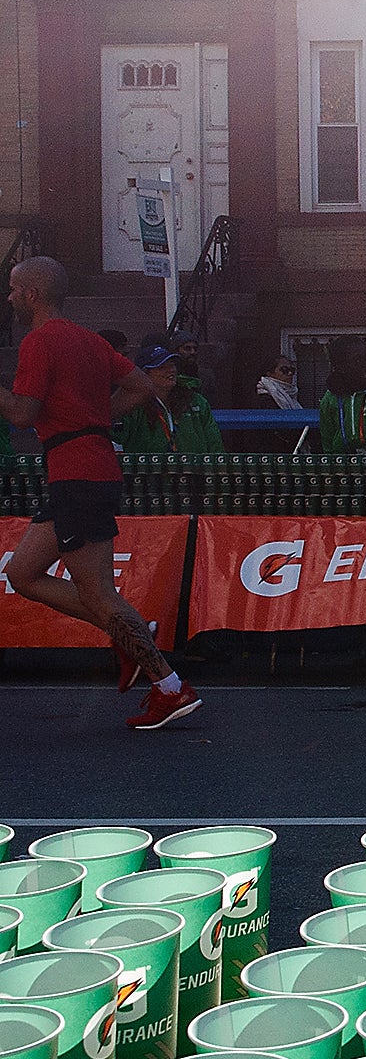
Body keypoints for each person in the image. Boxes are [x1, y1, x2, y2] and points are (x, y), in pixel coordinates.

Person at [0, 256, 201, 727]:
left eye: (13, 290)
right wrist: (96, 417)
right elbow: (140, 387)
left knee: (98, 592)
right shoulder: (88, 339)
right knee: (23, 574)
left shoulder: (38, 340)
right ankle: (129, 633)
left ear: (31, 295)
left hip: (77, 474)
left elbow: (22, 416)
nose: (8, 298)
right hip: (87, 469)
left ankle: (169, 686)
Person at [113, 340, 225, 455]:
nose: (171, 370)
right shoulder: (132, 405)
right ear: (144, 373)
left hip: (194, 471)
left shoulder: (196, 401)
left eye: (172, 365)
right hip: (148, 471)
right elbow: (115, 439)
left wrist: (220, 468)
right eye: (162, 367)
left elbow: (214, 443)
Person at [256, 353, 311, 454]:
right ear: (270, 373)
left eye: (292, 370)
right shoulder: (265, 397)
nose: (290, 373)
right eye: (284, 370)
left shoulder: (290, 396)